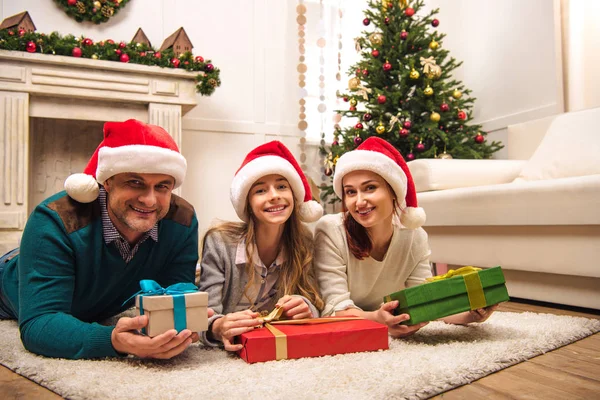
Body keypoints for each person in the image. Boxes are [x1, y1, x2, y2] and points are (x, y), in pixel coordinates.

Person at [0, 119, 211, 359]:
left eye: (162, 186)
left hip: (94, 302)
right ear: (107, 182)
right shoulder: (54, 220)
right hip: (8, 287)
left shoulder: (182, 221)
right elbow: (39, 324)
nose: (150, 200)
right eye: (135, 182)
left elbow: (176, 296)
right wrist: (114, 341)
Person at [314, 137, 498, 338]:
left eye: (370, 188)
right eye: (350, 192)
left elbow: (425, 301)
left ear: (394, 191)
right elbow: (333, 311)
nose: (359, 201)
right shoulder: (331, 230)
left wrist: (471, 315)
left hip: (375, 314)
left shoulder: (414, 236)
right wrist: (376, 318)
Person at [199, 141, 324, 351]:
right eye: (260, 190)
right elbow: (205, 315)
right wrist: (218, 326)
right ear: (247, 203)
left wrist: (306, 307)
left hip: (274, 347)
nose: (274, 195)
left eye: (282, 186)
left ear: (294, 196)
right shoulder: (220, 242)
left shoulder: (305, 243)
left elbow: (316, 302)